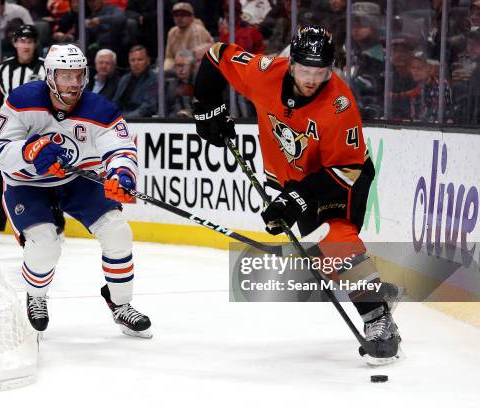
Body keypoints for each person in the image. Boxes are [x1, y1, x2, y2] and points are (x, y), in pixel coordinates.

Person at [192, 25, 402, 363]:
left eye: (320, 71)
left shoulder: (339, 104)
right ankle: (374, 290)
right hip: (295, 176)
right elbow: (216, 56)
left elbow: (347, 170)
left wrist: (298, 197)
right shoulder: (264, 73)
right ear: (290, 64)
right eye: (305, 69)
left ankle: (378, 319)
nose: (311, 78)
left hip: (341, 177)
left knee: (335, 239)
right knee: (324, 258)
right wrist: (207, 105)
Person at [0, 43, 152, 338]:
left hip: (79, 180)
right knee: (45, 245)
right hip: (28, 184)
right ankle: (36, 297)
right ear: (50, 76)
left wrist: (122, 174)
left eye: (78, 75)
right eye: (66, 76)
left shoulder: (100, 109)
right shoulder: (23, 100)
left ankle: (121, 303)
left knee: (117, 231)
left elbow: (121, 148)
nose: (74, 83)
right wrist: (29, 152)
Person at [0, 24, 65, 241]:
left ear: (35, 43)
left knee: (49, 174)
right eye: (22, 40)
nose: (25, 45)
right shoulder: (3, 69)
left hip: (41, 130)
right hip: (8, 132)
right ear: (15, 43)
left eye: (29, 41)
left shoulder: (45, 67)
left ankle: (56, 222)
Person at [164, 2, 213, 70]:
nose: (179, 18)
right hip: (179, 67)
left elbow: (196, 59)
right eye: (176, 15)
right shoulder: (172, 32)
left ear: (192, 16)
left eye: (183, 15)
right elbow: (169, 57)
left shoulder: (197, 30)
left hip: (197, 69)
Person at [113, 45, 157, 118]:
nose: (136, 63)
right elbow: (115, 102)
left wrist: (126, 118)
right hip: (121, 118)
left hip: (141, 120)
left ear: (148, 61)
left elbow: (148, 106)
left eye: (140, 60)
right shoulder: (124, 79)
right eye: (133, 60)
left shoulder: (154, 79)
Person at [166, 49, 195, 118]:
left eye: (184, 65)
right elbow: (166, 109)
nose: (181, 69)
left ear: (192, 67)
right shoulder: (171, 85)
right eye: (178, 66)